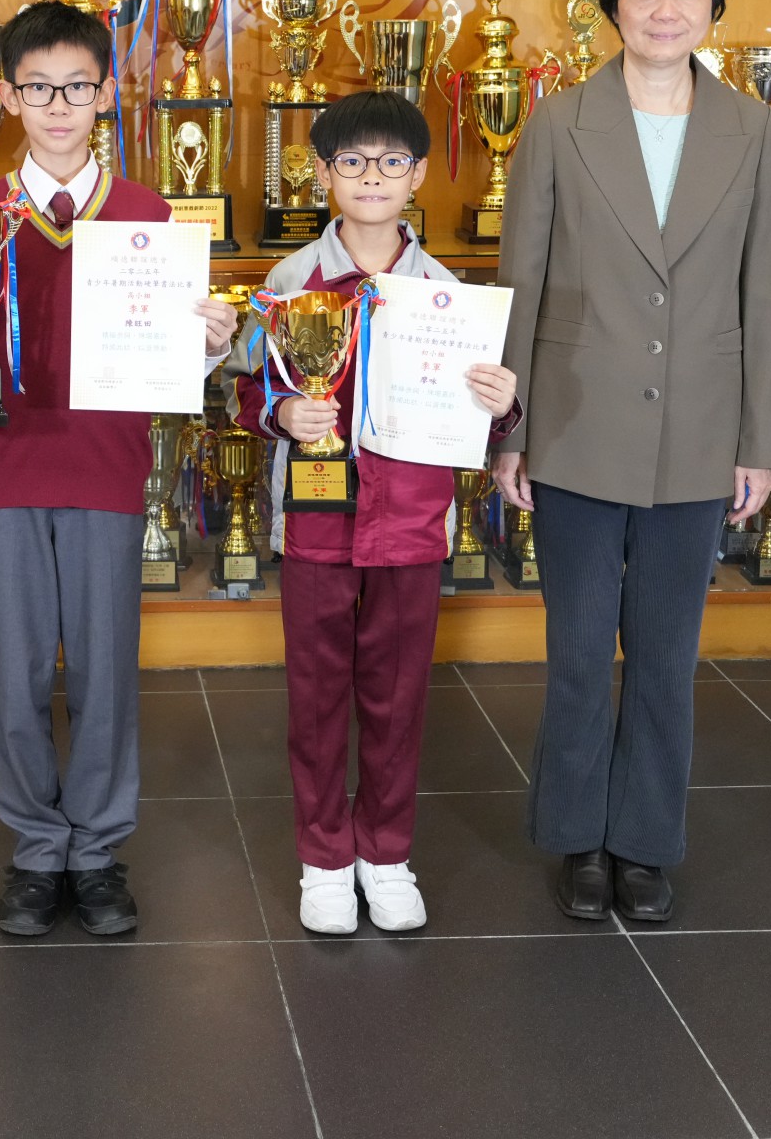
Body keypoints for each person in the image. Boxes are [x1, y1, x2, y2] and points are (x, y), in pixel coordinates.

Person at [492, 0, 771, 924]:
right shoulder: (558, 121)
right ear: (613, 4)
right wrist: (513, 431)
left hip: (700, 431)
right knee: (579, 652)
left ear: (715, 7)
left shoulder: (751, 128)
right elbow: (521, 281)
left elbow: (764, 291)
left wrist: (760, 444)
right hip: (576, 424)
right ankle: (577, 835)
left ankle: (646, 843)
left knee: (664, 657)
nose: (666, 9)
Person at [0, 0, 240, 936]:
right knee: (14, 668)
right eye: (39, 88)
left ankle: (97, 848)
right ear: (7, 97)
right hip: (2, 468)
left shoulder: (151, 216)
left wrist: (212, 345)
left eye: (76, 87)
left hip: (106, 468)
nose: (58, 106)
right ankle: (36, 847)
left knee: (105, 669)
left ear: (107, 94)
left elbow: (175, 363)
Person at [230, 92, 518, 934]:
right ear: (322, 174)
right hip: (317, 519)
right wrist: (282, 413)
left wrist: (503, 406)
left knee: (397, 697)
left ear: (418, 175)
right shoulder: (289, 283)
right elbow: (248, 389)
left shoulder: (448, 296)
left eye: (392, 162)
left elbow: (480, 418)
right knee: (318, 696)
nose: (371, 178)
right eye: (351, 162)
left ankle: (386, 853)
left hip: (412, 524)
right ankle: (324, 858)